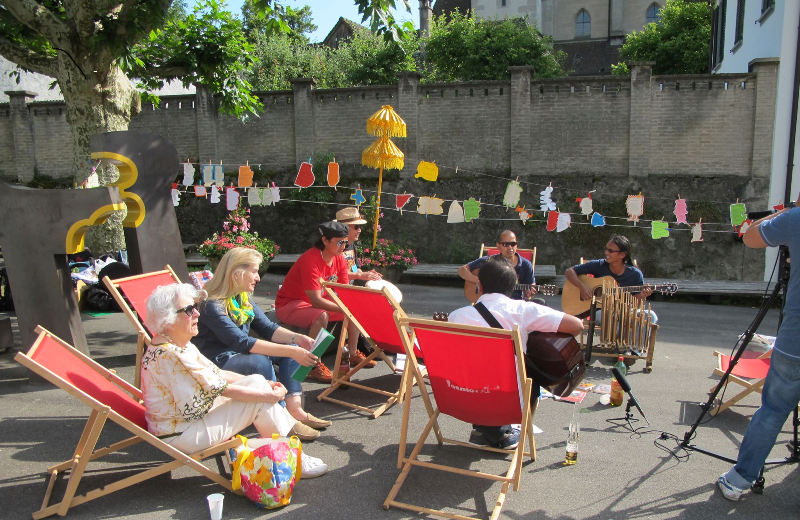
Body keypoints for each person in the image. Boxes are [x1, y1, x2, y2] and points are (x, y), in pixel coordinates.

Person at [141, 283, 327, 478]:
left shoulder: (176, 344)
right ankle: (294, 460)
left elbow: (218, 373)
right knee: (260, 402)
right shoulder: (171, 355)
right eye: (189, 310)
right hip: (181, 435)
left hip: (189, 419)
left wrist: (267, 385)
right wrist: (269, 395)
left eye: (195, 307)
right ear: (167, 320)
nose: (197, 314)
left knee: (256, 380)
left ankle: (290, 450)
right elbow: (225, 390)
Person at [449, 256, 583, 449]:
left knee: (479, 369)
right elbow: (576, 325)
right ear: (513, 287)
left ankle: (484, 429)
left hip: (462, 397)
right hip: (508, 401)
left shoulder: (457, 316)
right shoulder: (522, 310)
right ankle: (504, 430)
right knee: (531, 371)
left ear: (479, 284)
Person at [194, 247, 331, 433]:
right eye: (255, 271)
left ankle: (295, 410)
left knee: (289, 349)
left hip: (238, 354)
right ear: (237, 273)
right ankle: (281, 418)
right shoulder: (212, 304)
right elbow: (241, 342)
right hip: (218, 361)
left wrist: (297, 339)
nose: (258, 278)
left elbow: (268, 328)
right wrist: (291, 350)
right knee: (260, 360)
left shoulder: (241, 298)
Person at [717, 201, 800, 501]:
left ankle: (739, 480)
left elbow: (750, 236)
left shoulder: (796, 218)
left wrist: (786, 212)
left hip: (795, 343)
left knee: (774, 411)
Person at [275, 221, 372, 383]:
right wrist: (344, 308)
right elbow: (316, 301)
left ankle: (353, 353)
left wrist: (353, 304)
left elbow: (344, 291)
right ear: (325, 241)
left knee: (353, 308)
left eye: (345, 242)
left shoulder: (339, 258)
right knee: (322, 315)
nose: (343, 246)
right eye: (339, 242)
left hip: (312, 302)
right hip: (290, 304)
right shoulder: (310, 259)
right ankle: (312, 365)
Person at [564, 234, 658, 325]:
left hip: (625, 313)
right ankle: (618, 338)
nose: (606, 253)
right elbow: (569, 271)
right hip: (603, 312)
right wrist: (582, 287)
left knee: (651, 316)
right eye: (606, 249)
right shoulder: (599, 265)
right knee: (602, 315)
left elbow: (636, 306)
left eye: (611, 250)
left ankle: (624, 339)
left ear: (622, 255)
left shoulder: (635, 274)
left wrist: (643, 295)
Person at [458, 230, 544, 304]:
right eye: (506, 244)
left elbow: (530, 286)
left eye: (513, 244)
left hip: (515, 304)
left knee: (541, 303)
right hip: (489, 303)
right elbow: (462, 270)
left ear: (516, 245)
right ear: (498, 245)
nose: (510, 247)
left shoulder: (526, 265)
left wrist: (529, 292)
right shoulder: (488, 261)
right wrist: (478, 281)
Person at [335, 206, 383, 283]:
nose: (360, 230)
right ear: (344, 228)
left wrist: (367, 274)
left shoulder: (352, 245)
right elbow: (336, 272)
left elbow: (356, 267)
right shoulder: (334, 247)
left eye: (360, 227)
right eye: (356, 227)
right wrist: (360, 275)